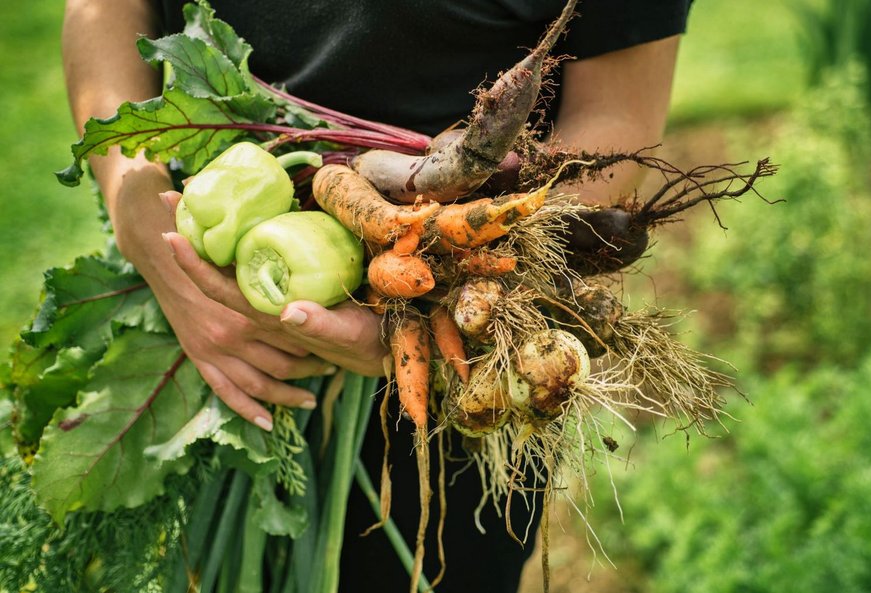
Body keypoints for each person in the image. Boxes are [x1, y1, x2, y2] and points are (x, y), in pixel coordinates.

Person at [62, 1, 690, 590]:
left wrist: (453, 286)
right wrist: (135, 203)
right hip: (200, 315)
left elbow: (618, 115)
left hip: (466, 361)